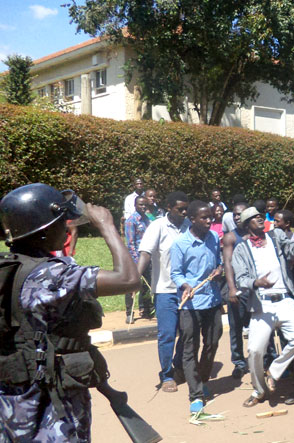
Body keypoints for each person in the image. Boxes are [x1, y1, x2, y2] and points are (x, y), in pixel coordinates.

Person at [0, 183, 140, 441]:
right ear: (43, 230)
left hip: (13, 397)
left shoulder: (8, 269)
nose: (66, 228)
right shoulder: (51, 274)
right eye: (60, 222)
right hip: (52, 401)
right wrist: (107, 226)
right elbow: (128, 279)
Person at [232, 207, 294, 408]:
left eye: (260, 216)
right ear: (247, 225)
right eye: (254, 218)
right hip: (261, 303)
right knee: (254, 350)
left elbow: (292, 252)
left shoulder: (276, 235)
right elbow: (241, 278)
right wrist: (256, 283)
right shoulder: (241, 249)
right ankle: (259, 391)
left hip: (284, 299)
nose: (259, 218)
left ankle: (275, 371)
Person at [170, 201, 224, 413]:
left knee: (212, 342)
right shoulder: (180, 244)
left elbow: (218, 262)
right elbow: (176, 273)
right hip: (190, 303)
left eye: (210, 217)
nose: (209, 221)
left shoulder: (213, 238)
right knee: (190, 348)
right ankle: (196, 394)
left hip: (212, 300)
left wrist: (219, 270)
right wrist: (186, 285)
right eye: (204, 218)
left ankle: (202, 380)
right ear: (192, 219)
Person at [138, 191, 191, 392]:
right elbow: (145, 253)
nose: (184, 213)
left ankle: (179, 367)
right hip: (165, 290)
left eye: (186, 209)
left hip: (187, 291)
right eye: (180, 209)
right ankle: (167, 374)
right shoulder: (157, 226)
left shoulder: (189, 227)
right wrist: (135, 278)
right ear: (169, 208)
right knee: (167, 334)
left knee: (188, 334)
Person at [221, 202, 251, 379]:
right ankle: (239, 362)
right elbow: (227, 263)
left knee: (259, 328)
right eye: (235, 215)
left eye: (240, 214)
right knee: (236, 328)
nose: (237, 217)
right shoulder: (230, 237)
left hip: (254, 290)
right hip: (237, 291)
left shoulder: (257, 235)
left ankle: (263, 359)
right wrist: (232, 289)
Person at [124, 195, 154, 323]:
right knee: (132, 286)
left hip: (148, 257)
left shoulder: (147, 220)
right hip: (135, 259)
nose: (143, 207)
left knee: (147, 286)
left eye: (145, 205)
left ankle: (146, 310)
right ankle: (129, 313)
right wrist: (137, 262)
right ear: (135, 205)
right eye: (141, 204)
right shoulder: (131, 221)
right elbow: (130, 243)